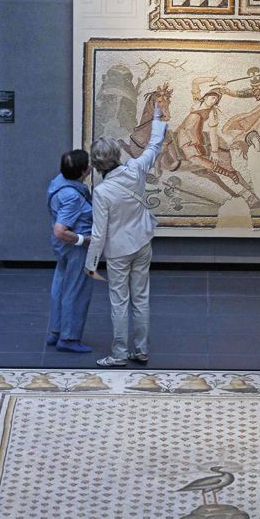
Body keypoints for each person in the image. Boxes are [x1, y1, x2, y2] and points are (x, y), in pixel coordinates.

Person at [85, 108, 168, 367]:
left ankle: (120, 353)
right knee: (141, 298)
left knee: (119, 302)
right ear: (117, 155)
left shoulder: (102, 192)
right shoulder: (136, 169)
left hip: (119, 251)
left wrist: (90, 264)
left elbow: (99, 233)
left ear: (96, 164)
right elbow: (154, 145)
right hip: (143, 241)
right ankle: (141, 350)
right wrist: (156, 119)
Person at [47, 149, 93, 352]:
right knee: (77, 290)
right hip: (76, 248)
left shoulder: (58, 182)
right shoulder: (72, 197)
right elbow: (60, 230)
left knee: (61, 284)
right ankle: (69, 338)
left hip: (62, 249)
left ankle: (56, 330)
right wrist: (83, 240)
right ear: (84, 171)